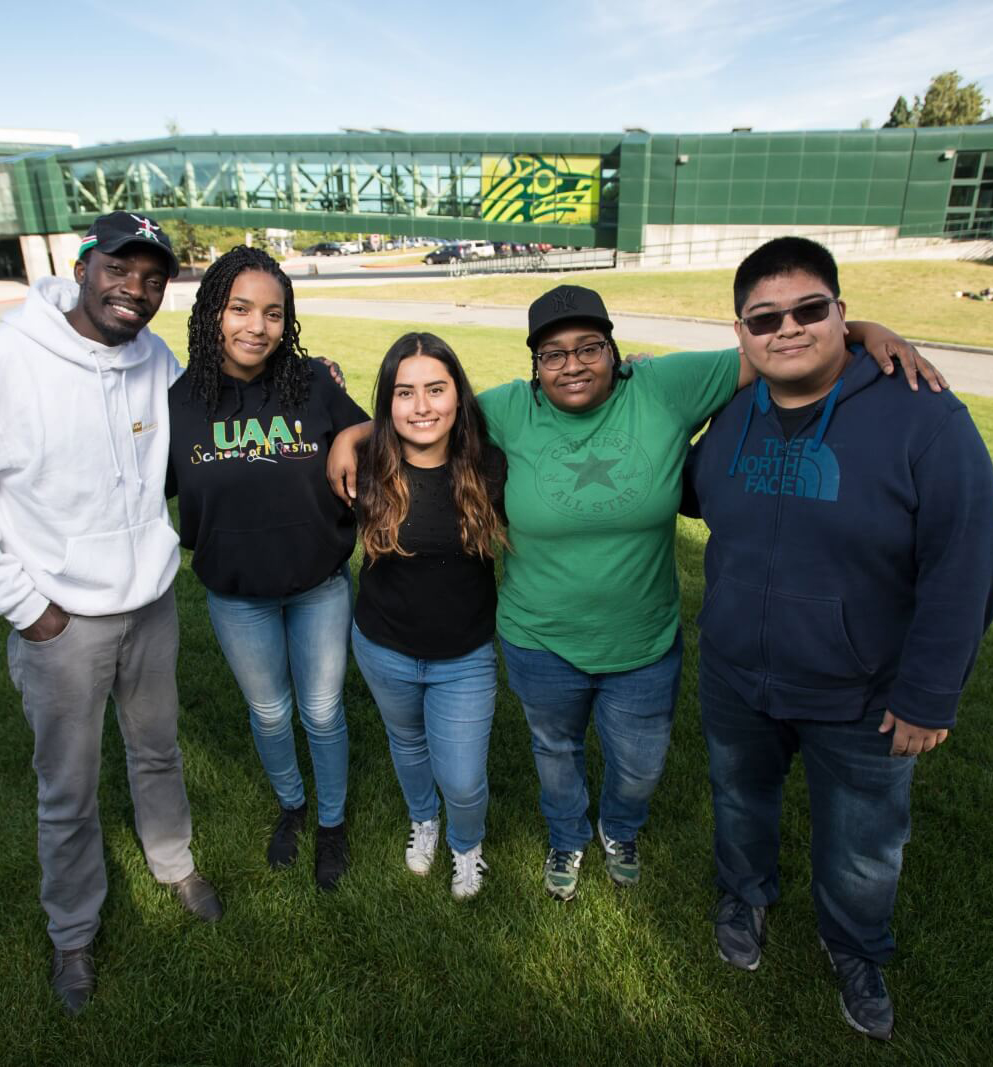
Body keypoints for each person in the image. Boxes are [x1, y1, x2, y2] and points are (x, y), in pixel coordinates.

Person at [327, 283, 934, 903]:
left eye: (588, 347)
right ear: (534, 366)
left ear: (614, 350)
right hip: (540, 640)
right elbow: (429, 416)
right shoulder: (509, 409)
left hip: (643, 642)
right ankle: (566, 836)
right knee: (555, 752)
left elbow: (780, 350)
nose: (572, 365)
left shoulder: (666, 387)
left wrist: (860, 329)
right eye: (553, 354)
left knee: (640, 767)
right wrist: (354, 436)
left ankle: (618, 829)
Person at [685, 237, 993, 1041]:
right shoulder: (731, 418)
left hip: (860, 692)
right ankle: (744, 898)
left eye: (808, 310)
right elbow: (680, 483)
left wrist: (929, 693)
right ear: (742, 332)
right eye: (764, 318)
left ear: (841, 315)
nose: (786, 329)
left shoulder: (923, 416)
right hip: (735, 675)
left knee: (862, 845)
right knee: (738, 804)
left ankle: (854, 946)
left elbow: (965, 565)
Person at [0, 211, 221, 1016]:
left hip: (150, 605)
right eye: (121, 268)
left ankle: (172, 863)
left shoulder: (151, 357)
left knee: (157, 754)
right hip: (60, 624)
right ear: (83, 264)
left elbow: (196, 435)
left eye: (155, 278)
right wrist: (29, 608)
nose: (137, 288)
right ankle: (73, 932)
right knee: (68, 789)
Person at [166, 246, 368, 891]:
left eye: (274, 313)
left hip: (319, 586)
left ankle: (332, 821)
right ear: (212, 314)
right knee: (271, 712)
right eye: (240, 309)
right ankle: (293, 806)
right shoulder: (180, 402)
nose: (257, 326)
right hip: (237, 594)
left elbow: (380, 431)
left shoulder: (312, 383)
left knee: (322, 710)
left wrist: (345, 435)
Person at [350, 332, 506, 900]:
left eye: (436, 390)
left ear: (458, 396)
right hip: (383, 646)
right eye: (404, 392)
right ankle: (424, 819)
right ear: (387, 403)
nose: (421, 407)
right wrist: (349, 433)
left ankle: (468, 844)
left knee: (463, 778)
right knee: (408, 743)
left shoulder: (489, 466)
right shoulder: (364, 465)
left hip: (465, 655)